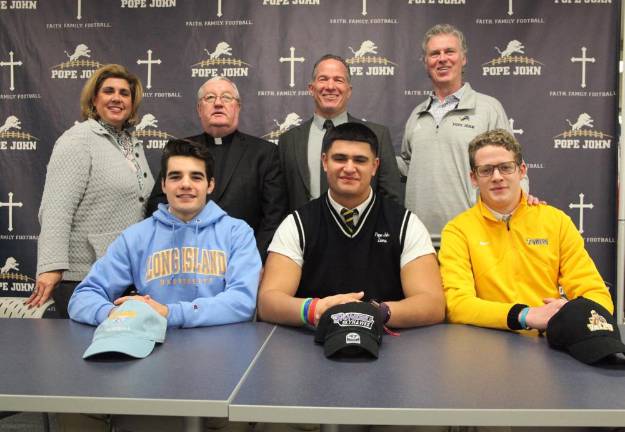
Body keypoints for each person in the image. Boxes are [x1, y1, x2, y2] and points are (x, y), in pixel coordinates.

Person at [259, 122, 444, 329]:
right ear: (325, 162)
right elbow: (268, 301)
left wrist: (376, 313)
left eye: (360, 160)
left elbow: (433, 304)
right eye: (340, 158)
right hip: (312, 345)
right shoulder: (297, 224)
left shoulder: (406, 224)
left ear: (374, 166)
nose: (349, 168)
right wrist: (317, 309)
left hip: (388, 346)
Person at [68, 139, 260, 328]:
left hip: (221, 349)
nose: (185, 184)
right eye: (175, 177)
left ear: (210, 185)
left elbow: (242, 302)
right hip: (152, 344)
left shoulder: (237, 233)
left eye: (196, 177)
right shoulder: (136, 237)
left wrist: (169, 313)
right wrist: (114, 313)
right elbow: (82, 297)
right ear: (163, 185)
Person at [439, 129, 613, 331]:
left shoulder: (555, 221)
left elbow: (597, 295)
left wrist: (570, 312)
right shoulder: (457, 231)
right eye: (486, 170)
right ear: (474, 178)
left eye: (506, 167)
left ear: (522, 171)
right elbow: (457, 305)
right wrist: (524, 315)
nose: (497, 177)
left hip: (550, 343)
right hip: (486, 345)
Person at [28, 64, 154, 318]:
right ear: (94, 99)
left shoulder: (131, 143)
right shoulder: (77, 140)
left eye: (124, 93)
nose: (117, 98)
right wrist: (52, 267)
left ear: (132, 103)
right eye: (109, 91)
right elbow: (56, 210)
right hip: (83, 277)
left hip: (124, 272)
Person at [399, 24, 525, 240]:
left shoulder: (488, 108)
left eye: (449, 51)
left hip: (472, 238)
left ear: (463, 58)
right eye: (434, 53)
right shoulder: (417, 115)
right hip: (418, 241)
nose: (442, 58)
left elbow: (509, 166)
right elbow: (406, 166)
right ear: (426, 62)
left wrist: (523, 201)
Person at [147, 76, 286, 260]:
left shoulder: (265, 153)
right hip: (183, 257)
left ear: (238, 107)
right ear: (199, 109)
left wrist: (253, 260)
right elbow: (157, 206)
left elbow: (274, 217)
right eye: (210, 98)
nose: (218, 103)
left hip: (242, 259)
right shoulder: (179, 150)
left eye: (227, 97)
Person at [279, 54, 401, 213]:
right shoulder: (288, 140)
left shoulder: (378, 135)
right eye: (323, 79)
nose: (330, 86)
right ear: (311, 89)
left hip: (361, 235)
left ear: (349, 91)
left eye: (338, 80)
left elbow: (391, 200)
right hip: (304, 234)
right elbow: (279, 203)